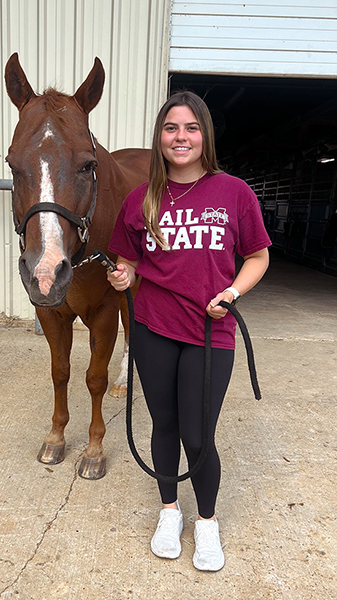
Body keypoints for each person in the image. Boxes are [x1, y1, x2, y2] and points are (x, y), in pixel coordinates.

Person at [107, 91, 271, 572]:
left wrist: (232, 294)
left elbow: (257, 257)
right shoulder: (141, 200)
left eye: (191, 128)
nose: (181, 137)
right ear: (160, 137)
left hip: (209, 332)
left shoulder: (233, 193)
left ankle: (206, 523)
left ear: (205, 136)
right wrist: (123, 276)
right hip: (153, 328)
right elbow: (128, 260)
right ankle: (168, 513)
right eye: (172, 128)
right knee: (165, 426)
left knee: (199, 436)